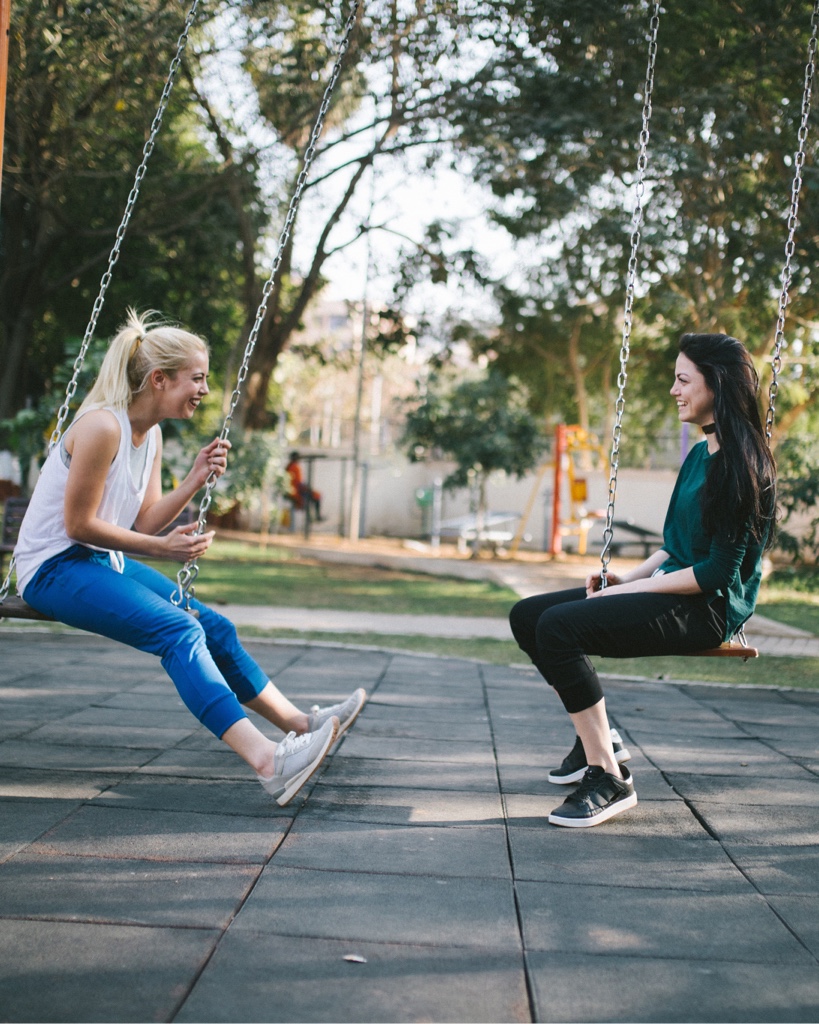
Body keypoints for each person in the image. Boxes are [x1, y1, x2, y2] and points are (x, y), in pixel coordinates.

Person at [14, 309, 366, 806]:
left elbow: (144, 521)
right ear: (160, 379)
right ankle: (269, 762)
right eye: (196, 378)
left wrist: (195, 479)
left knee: (213, 627)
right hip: (53, 568)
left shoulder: (151, 435)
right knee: (178, 631)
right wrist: (162, 550)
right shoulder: (101, 427)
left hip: (96, 563)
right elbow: (78, 526)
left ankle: (302, 724)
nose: (203, 389)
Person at [510, 333, 776, 828]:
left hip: (709, 607)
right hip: (676, 586)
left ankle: (609, 777)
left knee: (559, 628)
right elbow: (675, 544)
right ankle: (597, 738)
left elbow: (716, 572)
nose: (674, 390)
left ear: (717, 384)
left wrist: (633, 589)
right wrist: (625, 577)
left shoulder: (741, 466)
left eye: (683, 380)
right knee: (528, 616)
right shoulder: (699, 455)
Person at [285, 451, 323, 521]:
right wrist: (307, 488)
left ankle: (312, 517)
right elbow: (297, 483)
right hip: (296, 491)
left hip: (295, 489)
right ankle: (314, 517)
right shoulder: (294, 467)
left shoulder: (290, 466)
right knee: (311, 497)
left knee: (315, 496)